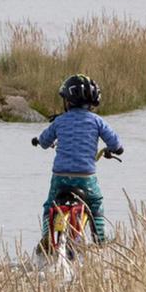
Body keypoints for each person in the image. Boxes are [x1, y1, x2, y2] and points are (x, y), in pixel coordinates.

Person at [32, 74, 123, 245]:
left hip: (60, 176)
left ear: (67, 101)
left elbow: (44, 142)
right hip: (85, 177)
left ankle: (46, 236)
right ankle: (100, 239)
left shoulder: (59, 121)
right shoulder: (97, 121)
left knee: (49, 206)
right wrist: (115, 150)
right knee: (95, 203)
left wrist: (40, 141)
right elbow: (116, 143)